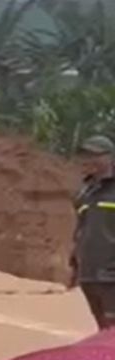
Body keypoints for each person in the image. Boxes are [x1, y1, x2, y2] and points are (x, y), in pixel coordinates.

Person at [72, 134, 115, 329]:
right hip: (89, 275)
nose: (89, 160)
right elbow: (81, 230)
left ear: (110, 158)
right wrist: (75, 263)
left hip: (111, 276)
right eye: (86, 155)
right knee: (103, 330)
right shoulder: (85, 192)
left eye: (95, 155)